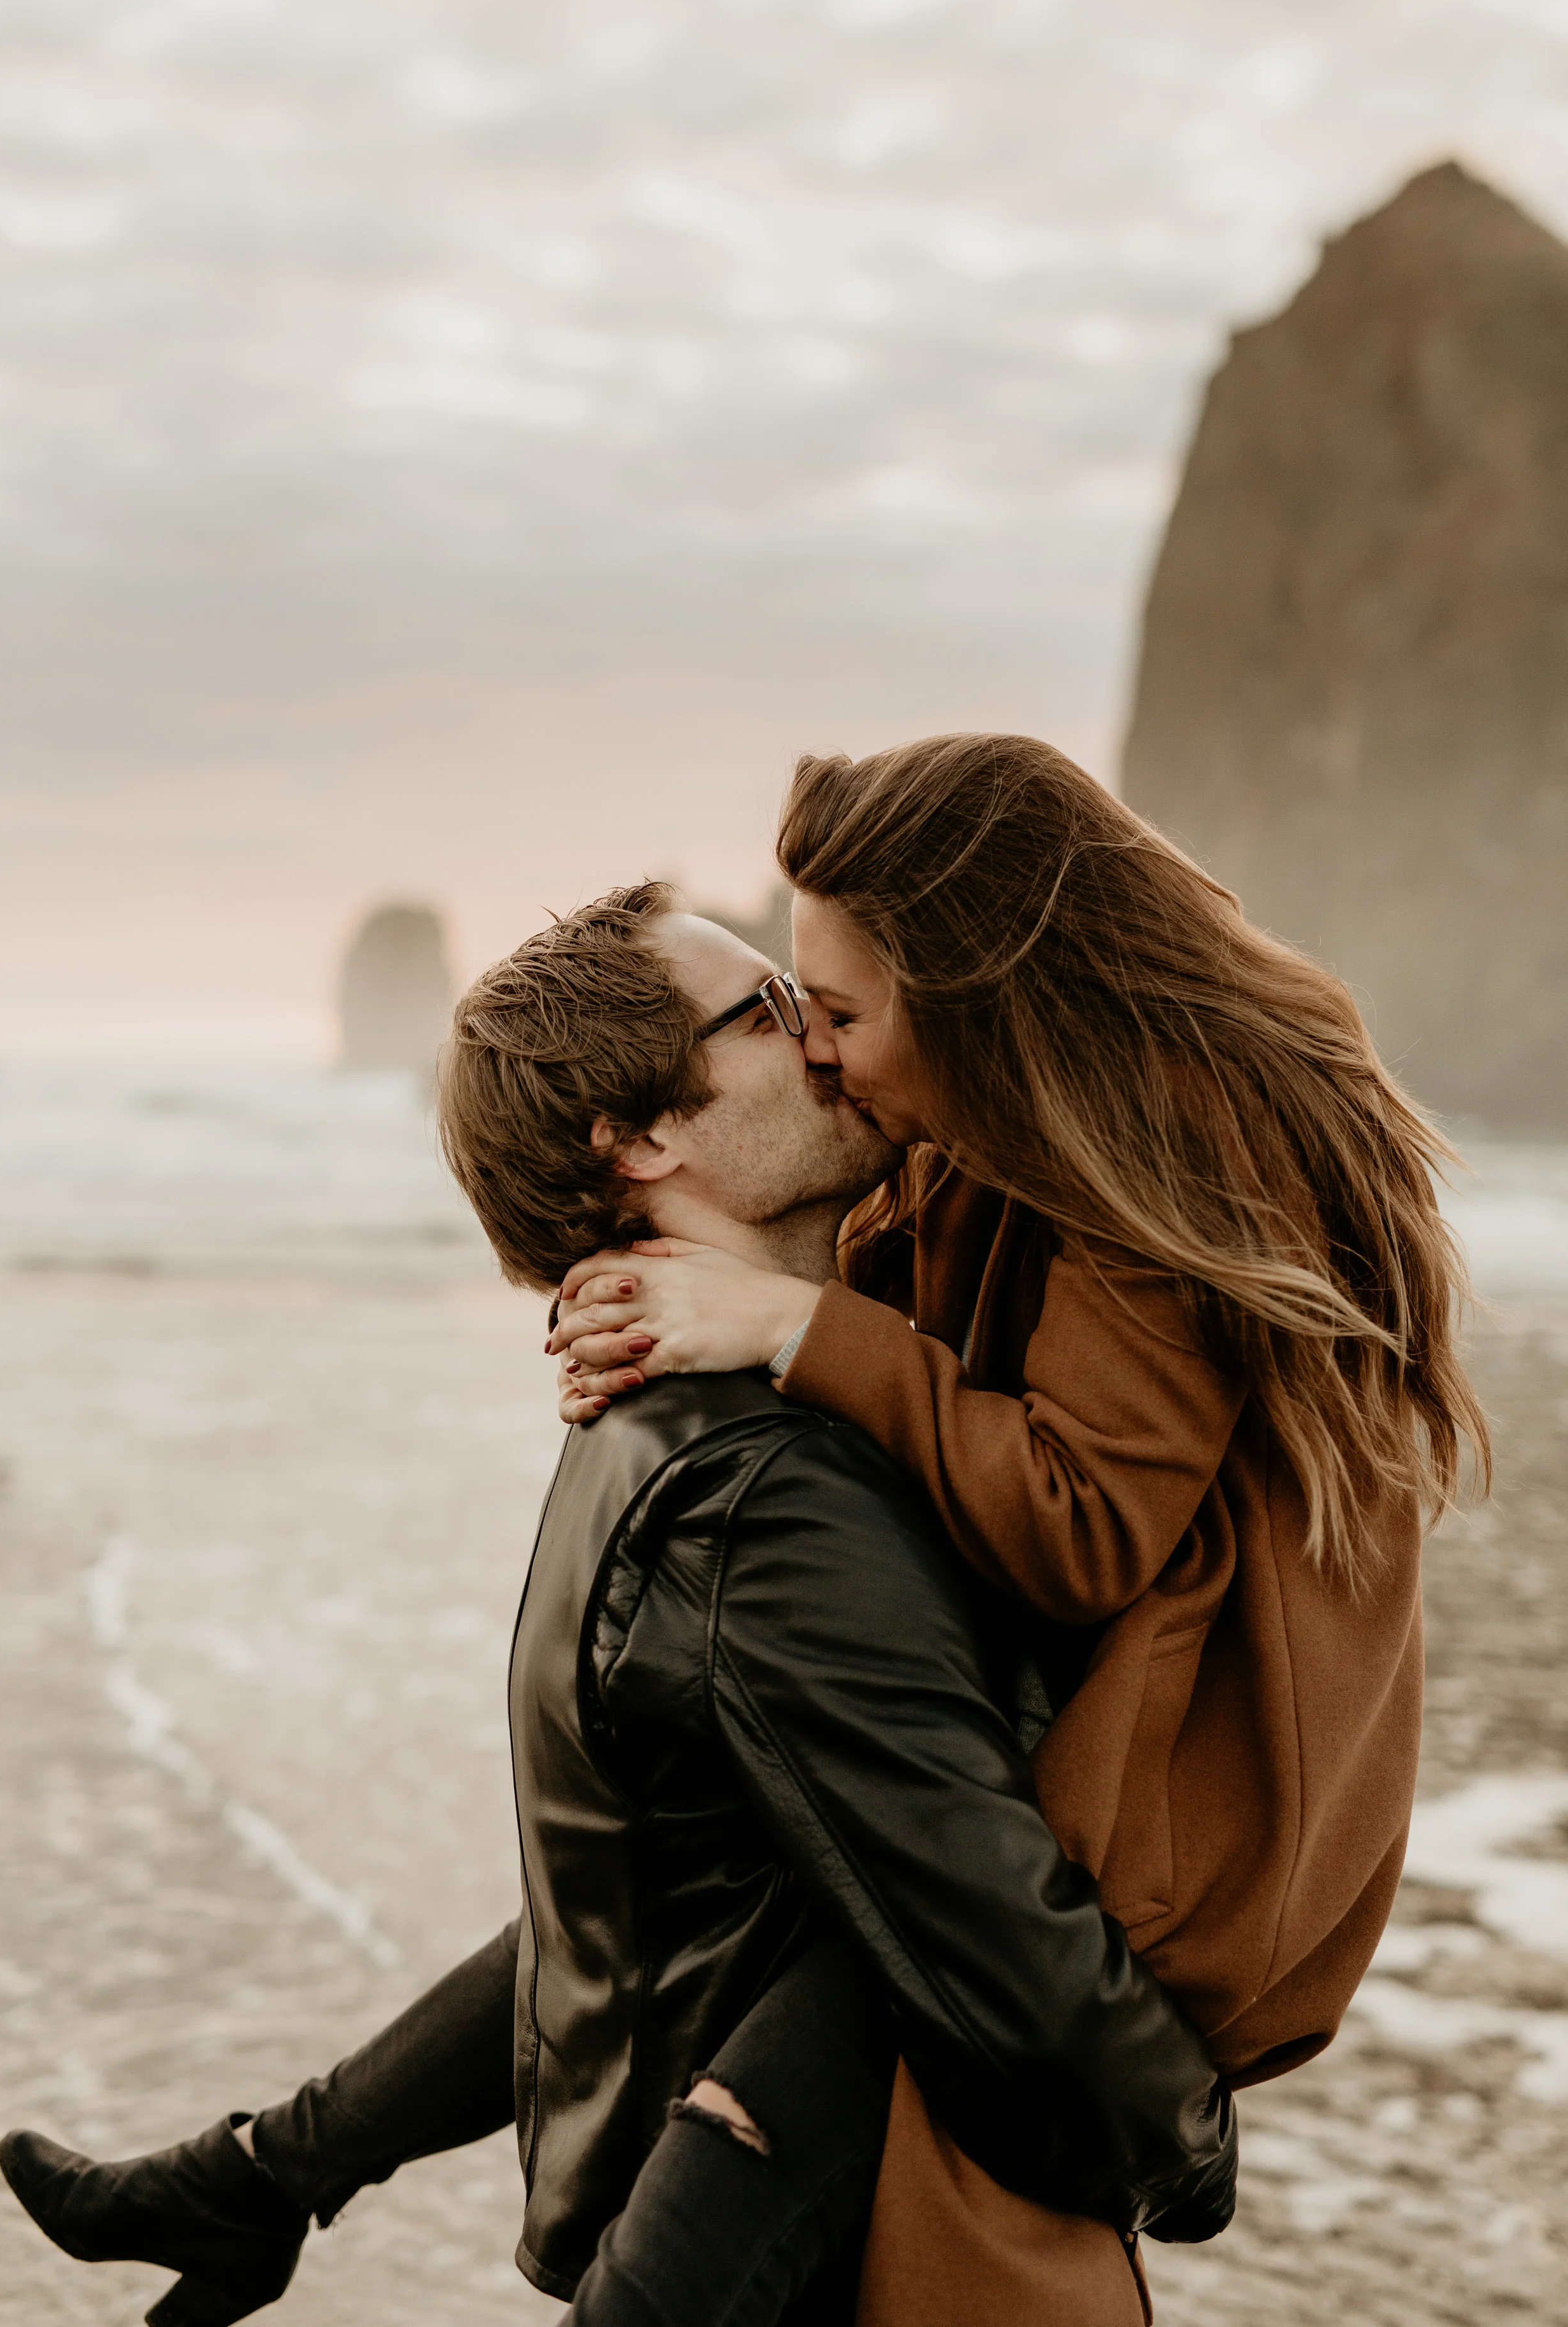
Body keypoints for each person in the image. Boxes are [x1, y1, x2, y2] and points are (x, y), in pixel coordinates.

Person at [0, 882, 1235, 2327]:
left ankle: (242, 2182)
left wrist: (284, 2159)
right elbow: (1002, 1945)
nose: (825, 1037)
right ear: (644, 1136)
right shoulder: (761, 1495)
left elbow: (631, 1894)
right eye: (771, 1011)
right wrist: (1183, 2147)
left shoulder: (643, 1420)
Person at [551, 731, 1490, 2324]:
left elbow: (1077, 1530)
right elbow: (916, 1333)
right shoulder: (1000, 1135)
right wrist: (678, 1306)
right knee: (670, 1943)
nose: (826, 1057)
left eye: (839, 1014)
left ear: (982, 989)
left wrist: (782, 1329)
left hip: (1179, 1836)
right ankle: (273, 2169)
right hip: (1079, 1761)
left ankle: (275, 2171)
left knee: (736, 2169)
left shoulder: (1171, 1139)